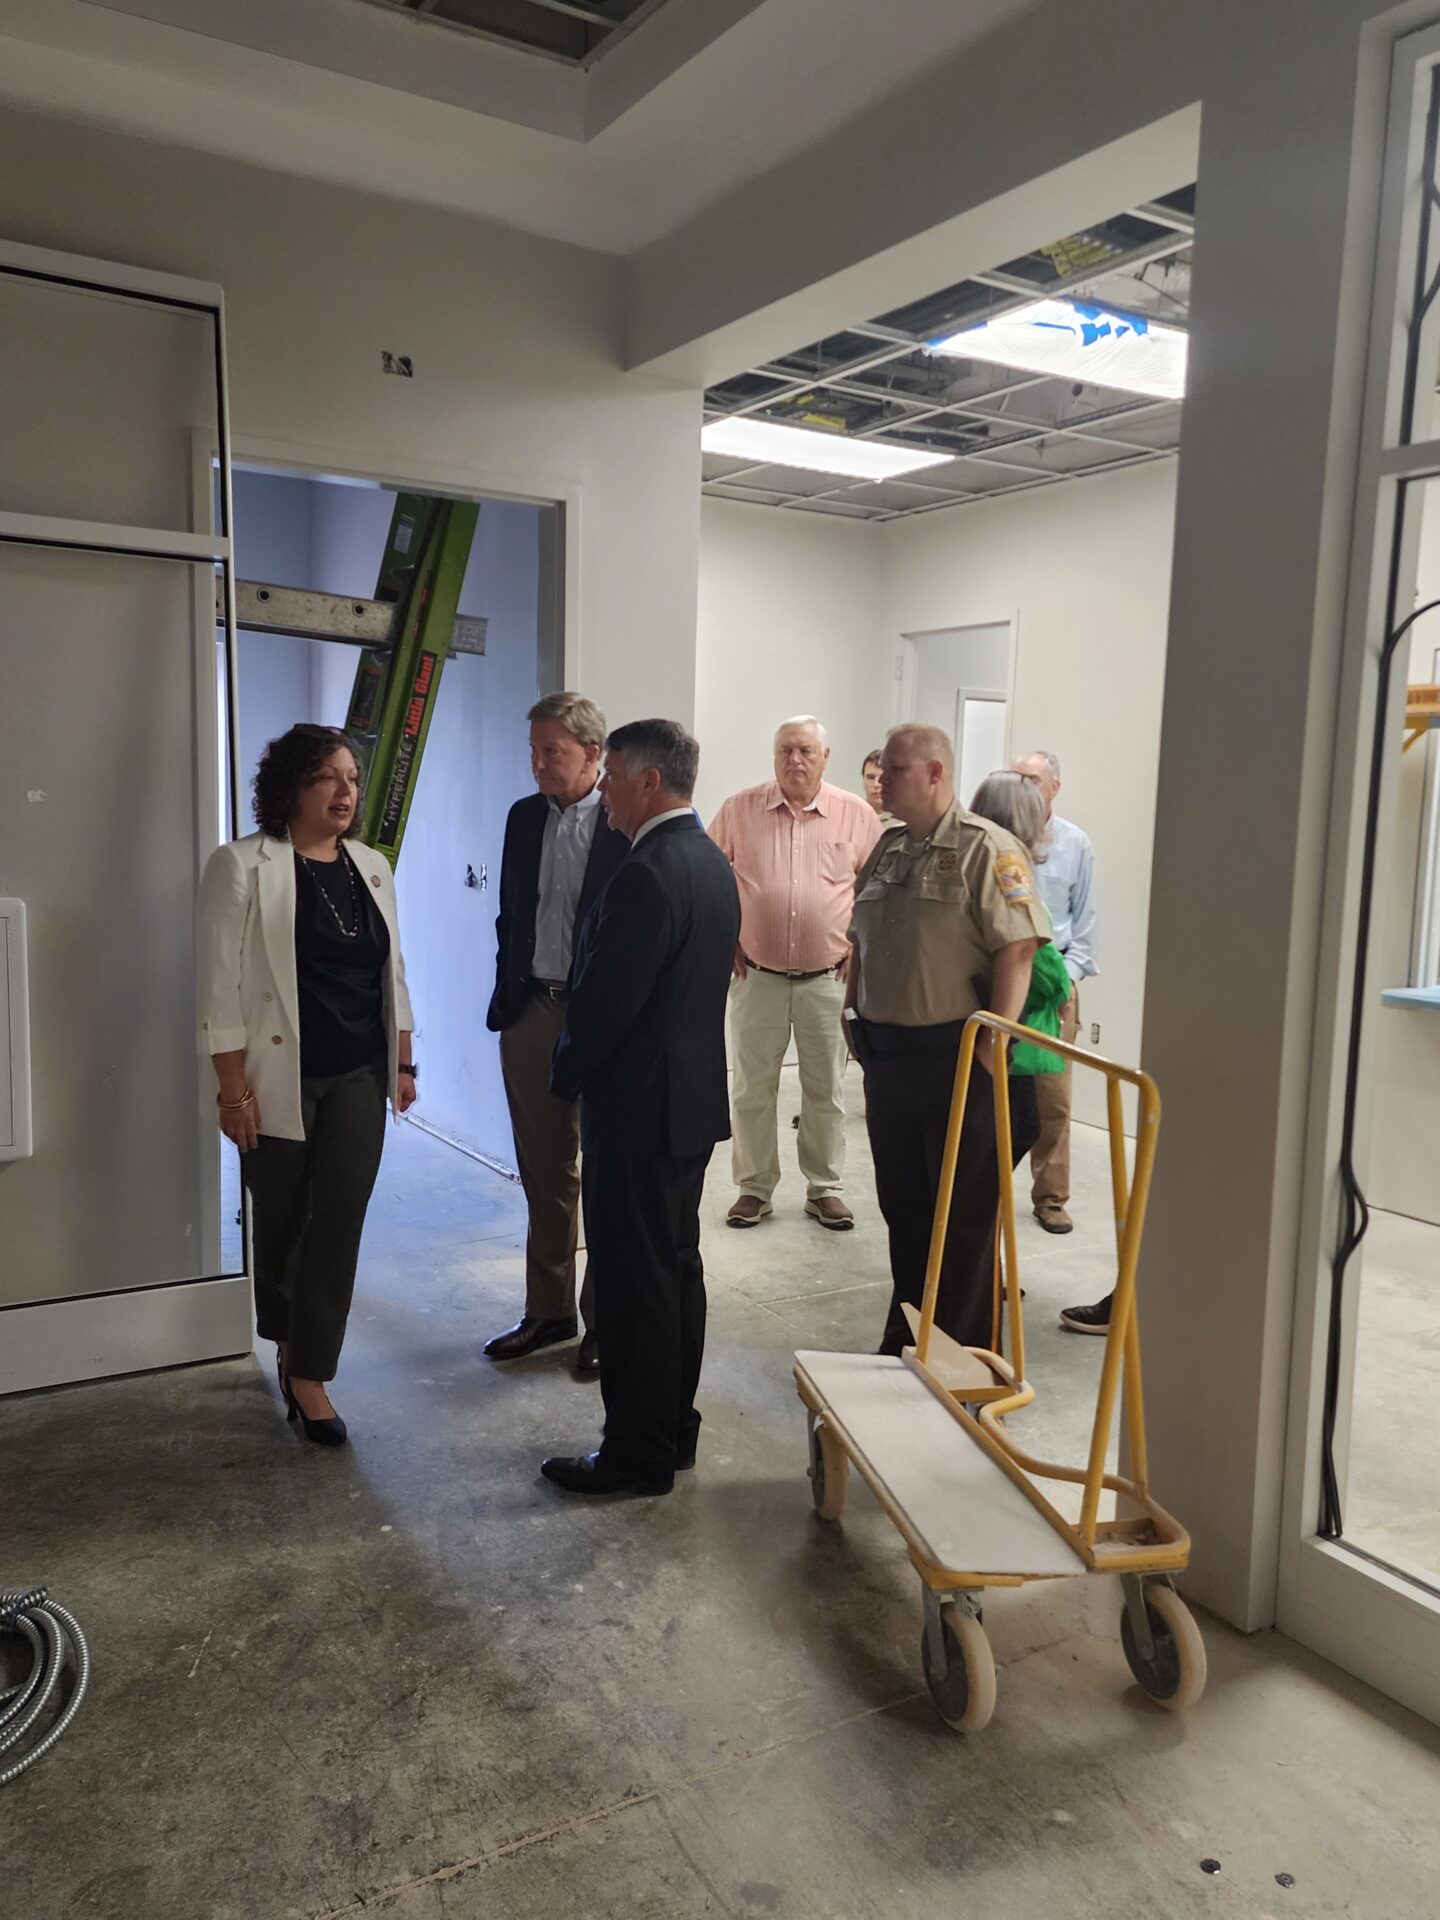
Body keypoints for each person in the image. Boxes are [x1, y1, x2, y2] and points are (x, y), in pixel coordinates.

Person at [197, 724, 416, 1448]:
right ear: (292, 787)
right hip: (274, 1079)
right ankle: (286, 1338)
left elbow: (392, 972)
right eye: (328, 778)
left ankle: (310, 1371)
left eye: (352, 778)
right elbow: (219, 989)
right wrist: (232, 1090)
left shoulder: (371, 866)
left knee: (337, 1222)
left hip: (357, 1074)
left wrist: (403, 1061)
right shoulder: (241, 865)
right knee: (284, 1220)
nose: (345, 792)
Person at [542, 719, 740, 1496]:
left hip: (637, 1112)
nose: (607, 791)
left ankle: (635, 1454)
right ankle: (671, 1430)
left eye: (614, 775)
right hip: (686, 1106)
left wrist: (564, 1077)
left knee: (633, 1285)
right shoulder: (709, 861)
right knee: (674, 1273)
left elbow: (603, 1005)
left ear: (649, 782)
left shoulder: (646, 873)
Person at [845, 725, 1049, 1354]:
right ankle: (909, 1337)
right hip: (889, 1060)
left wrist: (993, 1041)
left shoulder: (987, 848)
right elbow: (861, 937)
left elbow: (1018, 947)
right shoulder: (888, 848)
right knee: (904, 1207)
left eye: (896, 770)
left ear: (935, 772)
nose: (882, 780)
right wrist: (853, 1009)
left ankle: (962, 1362)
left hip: (955, 1057)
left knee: (961, 1218)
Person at [484, 692, 629, 1377]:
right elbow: (510, 915)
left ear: (593, 754)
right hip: (532, 1011)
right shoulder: (522, 817)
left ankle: (604, 1321)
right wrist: (508, 999)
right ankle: (548, 1311)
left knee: (604, 1171)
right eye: (534, 751)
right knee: (545, 1172)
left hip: (601, 1018)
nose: (538, 763)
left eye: (553, 751)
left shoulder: (624, 822)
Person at [707, 717, 881, 1231]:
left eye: (805, 750)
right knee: (751, 1088)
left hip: (828, 979)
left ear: (825, 757)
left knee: (825, 1089)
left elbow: (878, 890)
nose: (795, 760)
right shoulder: (739, 810)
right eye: (785, 750)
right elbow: (708, 877)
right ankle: (754, 1188)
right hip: (756, 975)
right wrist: (725, 939)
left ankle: (824, 1188)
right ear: (774, 756)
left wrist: (860, 948)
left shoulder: (856, 814)